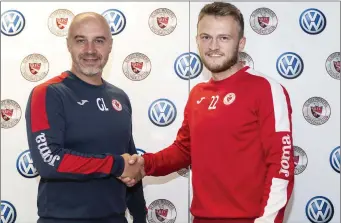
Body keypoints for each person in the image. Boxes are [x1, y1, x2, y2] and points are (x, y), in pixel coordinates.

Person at [122, 2, 295, 223]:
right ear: (197, 41)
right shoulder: (198, 93)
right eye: (206, 37)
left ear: (241, 43)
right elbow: (184, 150)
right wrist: (145, 165)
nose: (213, 46)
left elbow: (281, 164)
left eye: (224, 38)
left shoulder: (265, 89)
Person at [25, 12, 146, 223]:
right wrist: (115, 164)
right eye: (81, 41)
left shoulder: (120, 97)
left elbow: (131, 165)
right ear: (68, 45)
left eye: (99, 41)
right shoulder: (48, 93)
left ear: (110, 45)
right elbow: (49, 162)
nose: (90, 50)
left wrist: (139, 216)